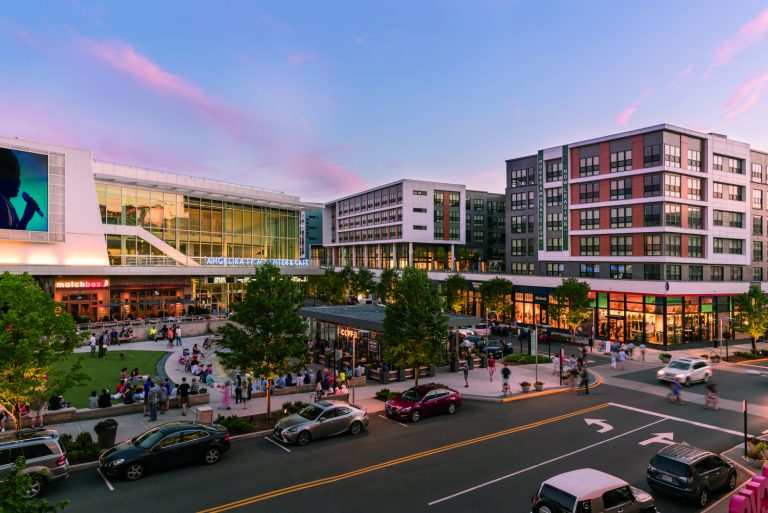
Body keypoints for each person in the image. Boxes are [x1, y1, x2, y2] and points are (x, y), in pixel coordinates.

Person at [0, 148, 42, 230]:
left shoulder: (6, 202)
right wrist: (26, 218)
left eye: (18, 175)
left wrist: (26, 217)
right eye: (12, 175)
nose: (18, 182)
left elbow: (13, 233)